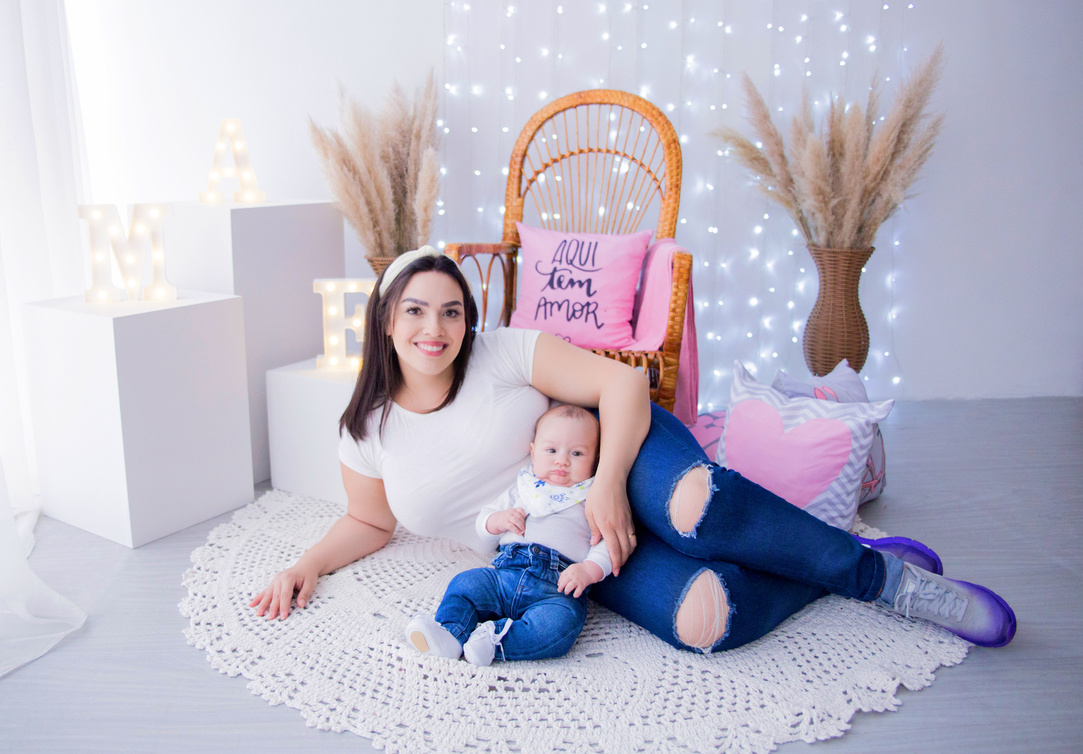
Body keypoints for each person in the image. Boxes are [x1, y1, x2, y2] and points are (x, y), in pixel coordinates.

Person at [250, 247, 1016, 653]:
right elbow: (370, 520)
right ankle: (818, 568)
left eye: (452, 311)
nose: (435, 329)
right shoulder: (366, 428)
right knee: (706, 621)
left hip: (620, 458)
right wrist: (303, 565)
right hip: (557, 550)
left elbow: (619, 386)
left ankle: (886, 579)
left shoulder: (504, 353)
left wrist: (610, 481)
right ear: (385, 321)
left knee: (694, 510)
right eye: (415, 310)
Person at [406, 404, 611, 666]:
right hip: (504, 575)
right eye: (551, 450)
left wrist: (589, 570)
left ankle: (495, 642)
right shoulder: (522, 489)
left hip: (557, 587)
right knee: (465, 585)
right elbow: (484, 521)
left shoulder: (591, 498)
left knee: (560, 625)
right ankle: (450, 634)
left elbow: (603, 543)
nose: (562, 460)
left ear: (595, 460)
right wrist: (498, 520)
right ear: (533, 452)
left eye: (577, 453)